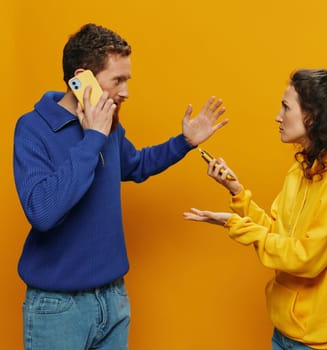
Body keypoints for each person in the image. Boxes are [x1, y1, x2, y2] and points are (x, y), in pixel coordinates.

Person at [13, 23, 228, 350]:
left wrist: (183, 142)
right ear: (81, 78)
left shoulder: (109, 123)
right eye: (118, 80)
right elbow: (42, 211)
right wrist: (93, 138)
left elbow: (136, 165)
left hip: (113, 299)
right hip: (58, 308)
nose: (126, 91)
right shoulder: (33, 128)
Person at [184, 68, 327, 350]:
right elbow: (279, 234)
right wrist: (237, 192)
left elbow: (307, 258)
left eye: (286, 107)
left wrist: (236, 225)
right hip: (285, 335)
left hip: (326, 344)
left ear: (312, 116)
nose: (278, 117)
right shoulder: (303, 168)